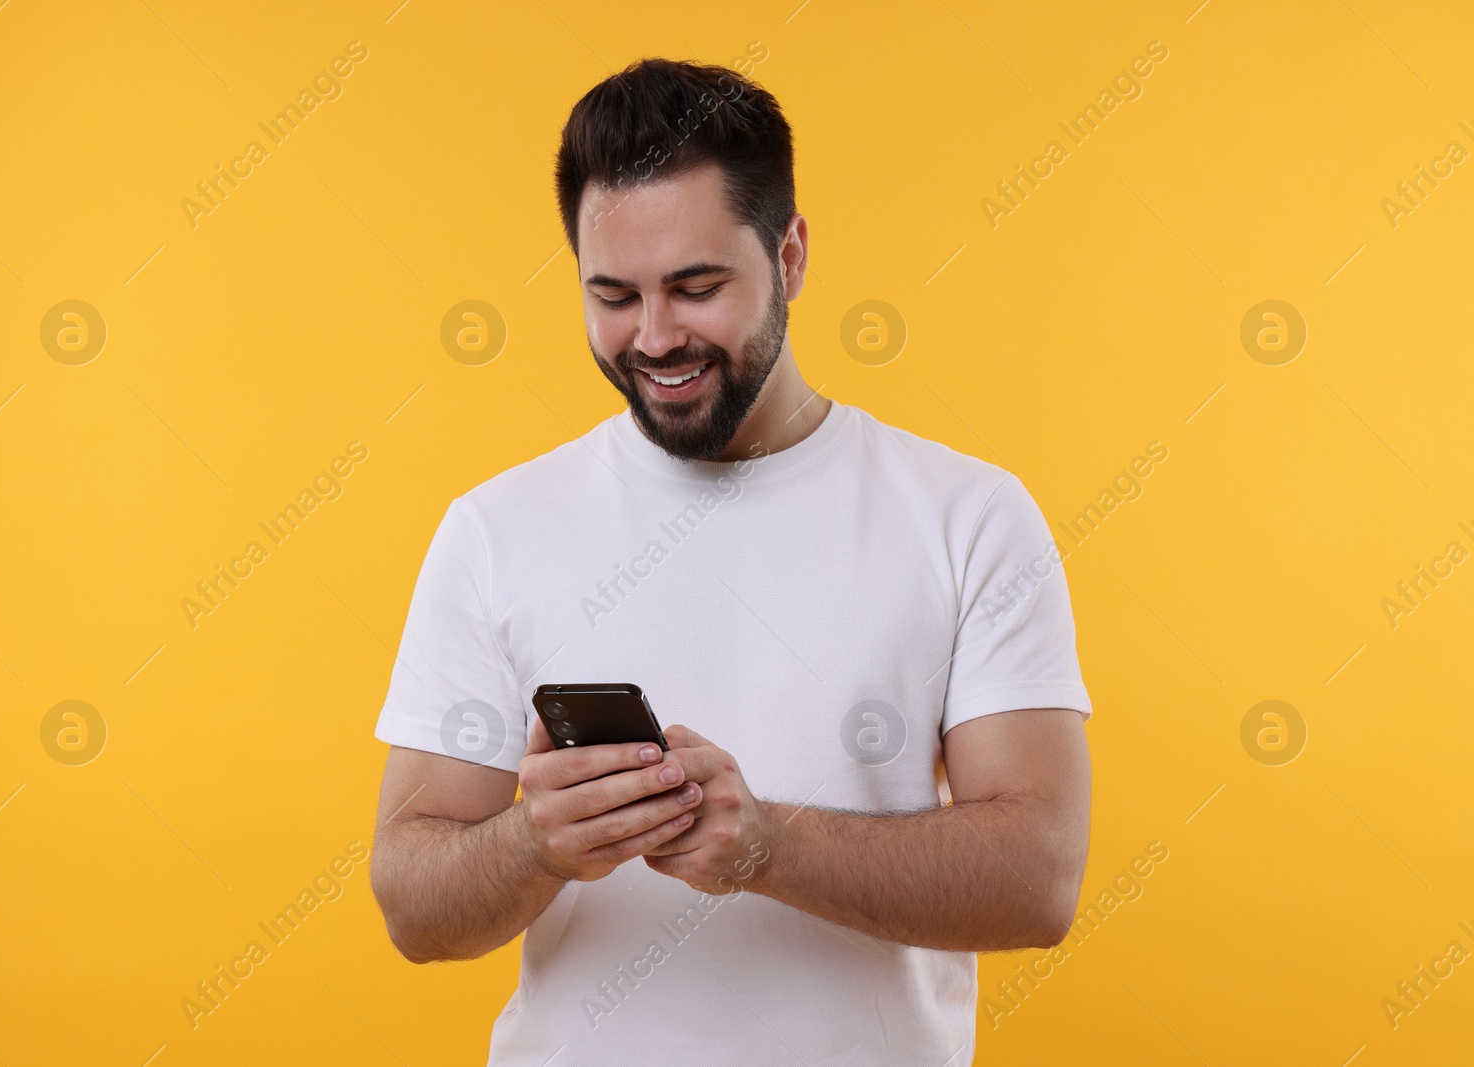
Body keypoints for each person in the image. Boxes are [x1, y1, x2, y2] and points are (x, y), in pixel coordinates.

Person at [369, 56, 1092, 1066]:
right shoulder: (497, 528)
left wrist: (767, 846)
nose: (655, 337)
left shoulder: (967, 516)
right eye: (612, 294)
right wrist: (534, 843)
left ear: (789, 256)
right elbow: (413, 903)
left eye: (696, 287)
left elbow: (1038, 877)